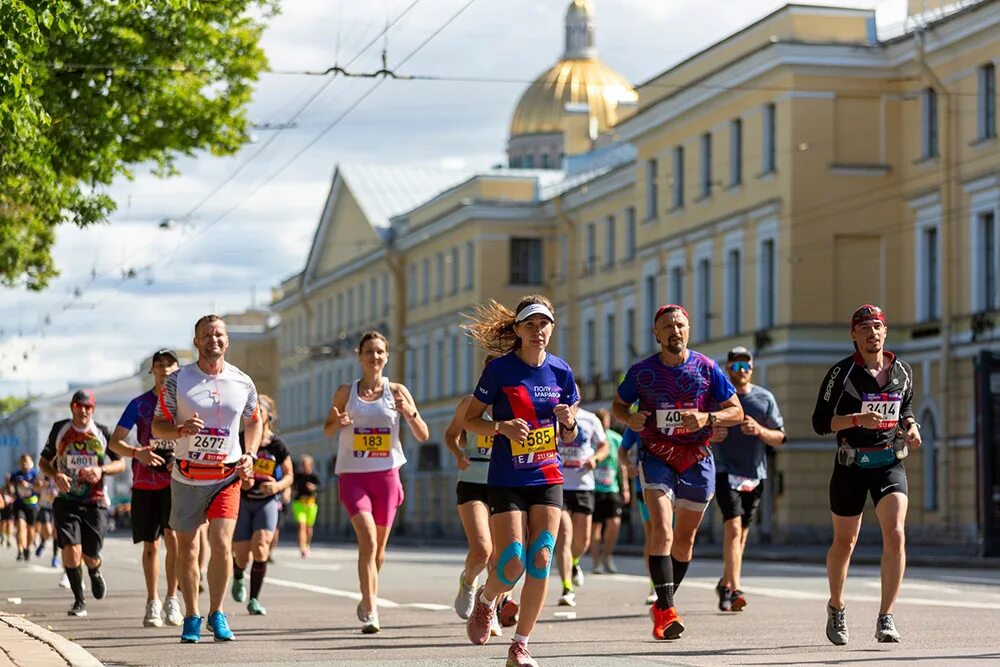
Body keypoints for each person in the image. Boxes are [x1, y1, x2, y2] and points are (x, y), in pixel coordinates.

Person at [611, 304, 743, 641]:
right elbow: (618, 405)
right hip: (656, 456)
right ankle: (667, 610)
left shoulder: (707, 368)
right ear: (656, 334)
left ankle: (661, 604)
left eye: (680, 325)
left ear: (689, 329)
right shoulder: (641, 372)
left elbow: (736, 412)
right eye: (667, 326)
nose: (675, 331)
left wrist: (707, 418)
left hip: (697, 458)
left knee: (685, 540)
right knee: (662, 529)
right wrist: (628, 419)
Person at [462, 296, 580, 667]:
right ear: (517, 330)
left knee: (542, 555)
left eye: (544, 324)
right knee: (512, 561)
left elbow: (570, 436)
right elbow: (470, 421)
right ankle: (486, 599)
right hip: (507, 476)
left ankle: (520, 645)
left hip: (547, 475)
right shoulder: (499, 370)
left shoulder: (562, 371)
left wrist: (568, 422)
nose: (537, 331)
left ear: (552, 328)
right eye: (529, 324)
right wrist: (501, 427)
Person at [812, 304, 921, 645]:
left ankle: (886, 617)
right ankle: (836, 606)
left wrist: (911, 426)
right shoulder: (840, 374)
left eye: (877, 327)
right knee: (845, 542)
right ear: (854, 335)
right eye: (864, 328)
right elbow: (820, 423)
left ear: (884, 332)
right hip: (851, 465)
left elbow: (905, 407)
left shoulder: (902, 370)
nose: (872, 333)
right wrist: (857, 419)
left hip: (889, 462)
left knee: (897, 533)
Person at [152, 314, 262, 643]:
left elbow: (255, 421)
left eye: (219, 335)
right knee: (187, 550)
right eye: (206, 335)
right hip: (187, 475)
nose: (213, 339)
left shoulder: (243, 381)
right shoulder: (178, 381)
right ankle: (191, 615)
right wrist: (180, 430)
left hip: (226, 475)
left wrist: (251, 454)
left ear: (226, 341)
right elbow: (157, 426)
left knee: (222, 544)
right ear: (196, 342)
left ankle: (217, 612)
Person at [322, 330, 429, 634]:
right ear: (359, 356)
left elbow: (423, 435)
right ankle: (371, 609)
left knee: (378, 552)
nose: (375, 357)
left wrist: (409, 413)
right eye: (369, 351)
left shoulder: (397, 391)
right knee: (367, 541)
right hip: (354, 476)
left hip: (386, 477)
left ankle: (366, 595)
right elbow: (328, 429)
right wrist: (338, 423)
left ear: (387, 356)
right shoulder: (346, 392)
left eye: (380, 351)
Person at [110, 348, 184, 628]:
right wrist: (136, 453)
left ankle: (171, 599)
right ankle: (152, 602)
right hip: (145, 481)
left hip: (177, 480)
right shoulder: (139, 404)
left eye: (169, 365)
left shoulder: (185, 403)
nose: (164, 370)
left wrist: (179, 458)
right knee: (151, 545)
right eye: (159, 365)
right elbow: (115, 442)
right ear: (152, 371)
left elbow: (197, 436)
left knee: (174, 539)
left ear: (178, 369)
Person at [710, 346, 786, 612]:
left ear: (752, 368)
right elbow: (698, 427)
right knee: (732, 527)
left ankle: (725, 583)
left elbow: (780, 437)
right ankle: (735, 589)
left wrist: (760, 431)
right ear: (727, 368)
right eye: (735, 366)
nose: (741, 371)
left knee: (741, 536)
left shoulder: (764, 399)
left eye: (745, 366)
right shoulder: (717, 398)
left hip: (754, 473)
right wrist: (710, 435)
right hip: (724, 470)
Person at [38, 389, 125, 617]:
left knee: (89, 554)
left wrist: (101, 469)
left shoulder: (102, 432)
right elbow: (44, 462)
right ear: (72, 407)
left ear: (93, 410)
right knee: (71, 549)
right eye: (79, 406)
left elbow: (121, 464)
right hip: (66, 500)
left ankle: (95, 571)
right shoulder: (60, 429)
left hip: (95, 501)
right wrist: (56, 475)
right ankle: (79, 600)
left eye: (88, 407)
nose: (84, 411)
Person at [444, 357, 506, 638]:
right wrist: (458, 454)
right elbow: (451, 435)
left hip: (504, 484)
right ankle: (469, 582)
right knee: (482, 548)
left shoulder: (516, 406)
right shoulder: (470, 404)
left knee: (501, 556)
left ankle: (489, 607)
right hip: (472, 483)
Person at [232, 394, 293, 616]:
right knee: (241, 556)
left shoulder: (277, 445)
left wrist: (277, 487)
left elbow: (289, 475)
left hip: (266, 502)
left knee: (261, 547)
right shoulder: (239, 440)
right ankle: (238, 574)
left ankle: (254, 599)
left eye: (260, 409)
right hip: (242, 500)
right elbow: (226, 468)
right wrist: (241, 480)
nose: (255, 412)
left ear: (269, 415)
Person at [555, 401, 608, 607]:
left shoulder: (590, 419)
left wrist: (595, 458)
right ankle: (567, 587)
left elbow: (604, 445)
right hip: (559, 485)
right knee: (564, 537)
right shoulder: (553, 418)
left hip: (584, 484)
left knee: (582, 541)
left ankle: (575, 563)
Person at [590, 409, 629, 575]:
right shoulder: (590, 437)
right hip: (592, 488)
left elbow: (622, 465)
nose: (603, 422)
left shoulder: (615, 439)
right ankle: (596, 561)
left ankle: (607, 555)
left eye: (605, 420)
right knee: (595, 527)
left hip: (611, 487)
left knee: (614, 523)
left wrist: (625, 487)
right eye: (600, 419)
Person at [10, 453, 40, 561]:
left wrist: (29, 486)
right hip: (19, 504)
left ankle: (27, 547)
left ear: (31, 463)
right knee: (20, 527)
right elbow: (10, 488)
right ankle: (20, 551)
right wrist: (12, 490)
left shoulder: (35, 473)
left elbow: (39, 488)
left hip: (32, 505)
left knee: (30, 530)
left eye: (26, 462)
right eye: (22, 462)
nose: (24, 464)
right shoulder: (15, 475)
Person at [291, 455, 320, 558]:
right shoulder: (298, 476)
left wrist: (314, 488)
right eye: (303, 465)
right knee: (301, 526)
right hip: (299, 503)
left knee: (309, 527)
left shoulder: (314, 476)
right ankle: (302, 547)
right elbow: (293, 486)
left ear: (311, 465)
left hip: (311, 504)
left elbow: (321, 488)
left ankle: (307, 544)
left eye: (306, 465)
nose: (304, 467)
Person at [35, 475, 58, 566]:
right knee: (48, 531)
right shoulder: (43, 473)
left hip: (58, 506)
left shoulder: (62, 470)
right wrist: (40, 485)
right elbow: (35, 487)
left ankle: (55, 557)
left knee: (56, 533)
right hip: (45, 506)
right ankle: (43, 543)